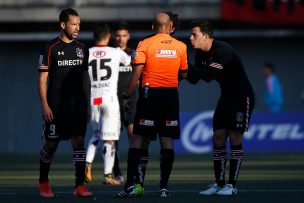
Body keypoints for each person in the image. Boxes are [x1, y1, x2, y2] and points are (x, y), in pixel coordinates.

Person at [116, 12, 188, 198]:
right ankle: (163, 188)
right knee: (167, 141)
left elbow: (137, 72)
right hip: (171, 96)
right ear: (170, 27)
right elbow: (184, 74)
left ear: (153, 27)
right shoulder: (181, 46)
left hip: (150, 96)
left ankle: (131, 185)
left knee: (139, 140)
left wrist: (126, 94)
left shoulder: (144, 44)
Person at [187, 20, 255, 196]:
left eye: (194, 34)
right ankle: (218, 183)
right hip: (226, 96)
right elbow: (194, 79)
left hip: (242, 96)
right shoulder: (200, 54)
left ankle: (232, 186)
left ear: (206, 36)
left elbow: (208, 76)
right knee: (218, 137)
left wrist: (184, 66)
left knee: (234, 138)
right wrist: (177, 69)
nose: (190, 38)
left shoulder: (222, 50)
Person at [37, 8, 92, 198]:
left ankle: (79, 186)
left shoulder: (82, 48)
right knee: (51, 143)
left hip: (77, 105)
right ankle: (43, 182)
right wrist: (44, 105)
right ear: (63, 25)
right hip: (56, 105)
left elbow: (86, 78)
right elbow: (42, 79)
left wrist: (88, 103)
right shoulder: (50, 47)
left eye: (79, 24)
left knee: (78, 142)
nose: (77, 28)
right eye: (73, 24)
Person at [85, 23, 131, 186]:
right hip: (109, 99)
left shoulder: (86, 53)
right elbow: (130, 62)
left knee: (95, 136)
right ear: (108, 37)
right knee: (110, 139)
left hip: (94, 99)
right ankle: (108, 175)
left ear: (94, 37)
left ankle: (87, 164)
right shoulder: (115, 52)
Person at [111, 21, 138, 184]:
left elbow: (138, 76)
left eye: (124, 36)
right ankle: (117, 173)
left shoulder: (134, 54)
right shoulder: (109, 54)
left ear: (129, 37)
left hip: (131, 99)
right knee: (113, 138)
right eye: (118, 35)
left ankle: (134, 173)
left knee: (132, 135)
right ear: (114, 37)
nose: (121, 39)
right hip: (112, 99)